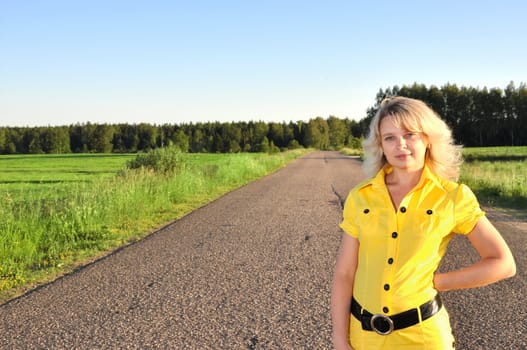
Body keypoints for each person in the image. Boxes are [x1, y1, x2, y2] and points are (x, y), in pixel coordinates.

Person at [331, 96, 516, 350]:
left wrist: (439, 282)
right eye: (390, 137)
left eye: (410, 134)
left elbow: (503, 263)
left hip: (424, 337)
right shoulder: (360, 197)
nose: (401, 145)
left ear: (428, 139)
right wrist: (340, 339)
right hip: (364, 337)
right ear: (380, 146)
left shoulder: (452, 197)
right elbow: (344, 274)